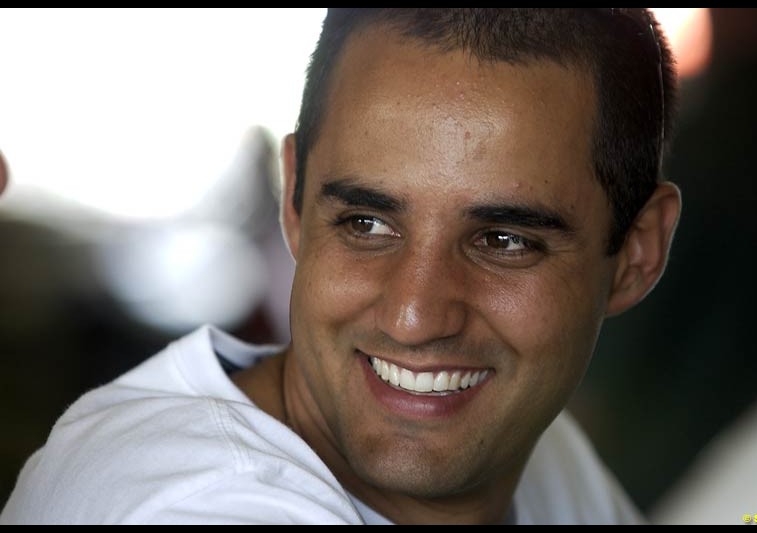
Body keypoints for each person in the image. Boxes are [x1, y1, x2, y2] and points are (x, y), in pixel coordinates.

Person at [0, 8, 681, 524]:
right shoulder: (194, 503)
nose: (415, 318)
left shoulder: (538, 452)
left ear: (638, 252)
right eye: (367, 223)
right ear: (293, 199)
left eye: (504, 241)